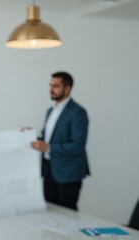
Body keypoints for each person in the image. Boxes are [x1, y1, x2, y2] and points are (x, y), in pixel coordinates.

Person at [30, 71, 90, 211]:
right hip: (49, 171)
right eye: (50, 85)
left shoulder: (77, 112)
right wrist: (30, 136)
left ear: (67, 88)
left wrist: (48, 147)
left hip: (68, 174)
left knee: (68, 216)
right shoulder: (50, 111)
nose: (51, 89)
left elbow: (78, 146)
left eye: (56, 86)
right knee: (50, 213)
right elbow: (47, 138)